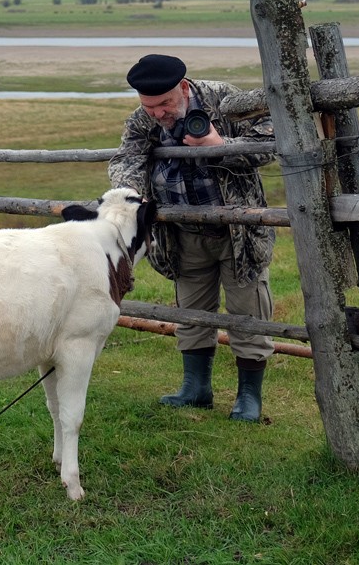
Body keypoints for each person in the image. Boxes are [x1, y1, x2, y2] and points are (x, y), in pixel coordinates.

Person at [108, 54, 277, 422]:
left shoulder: (224, 99)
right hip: (182, 235)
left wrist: (220, 146)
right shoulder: (142, 120)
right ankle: (196, 389)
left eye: (164, 103)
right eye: (149, 105)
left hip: (239, 232)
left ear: (183, 88)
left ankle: (249, 398)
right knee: (191, 312)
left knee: (247, 310)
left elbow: (271, 141)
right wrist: (131, 194)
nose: (157, 113)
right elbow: (126, 160)